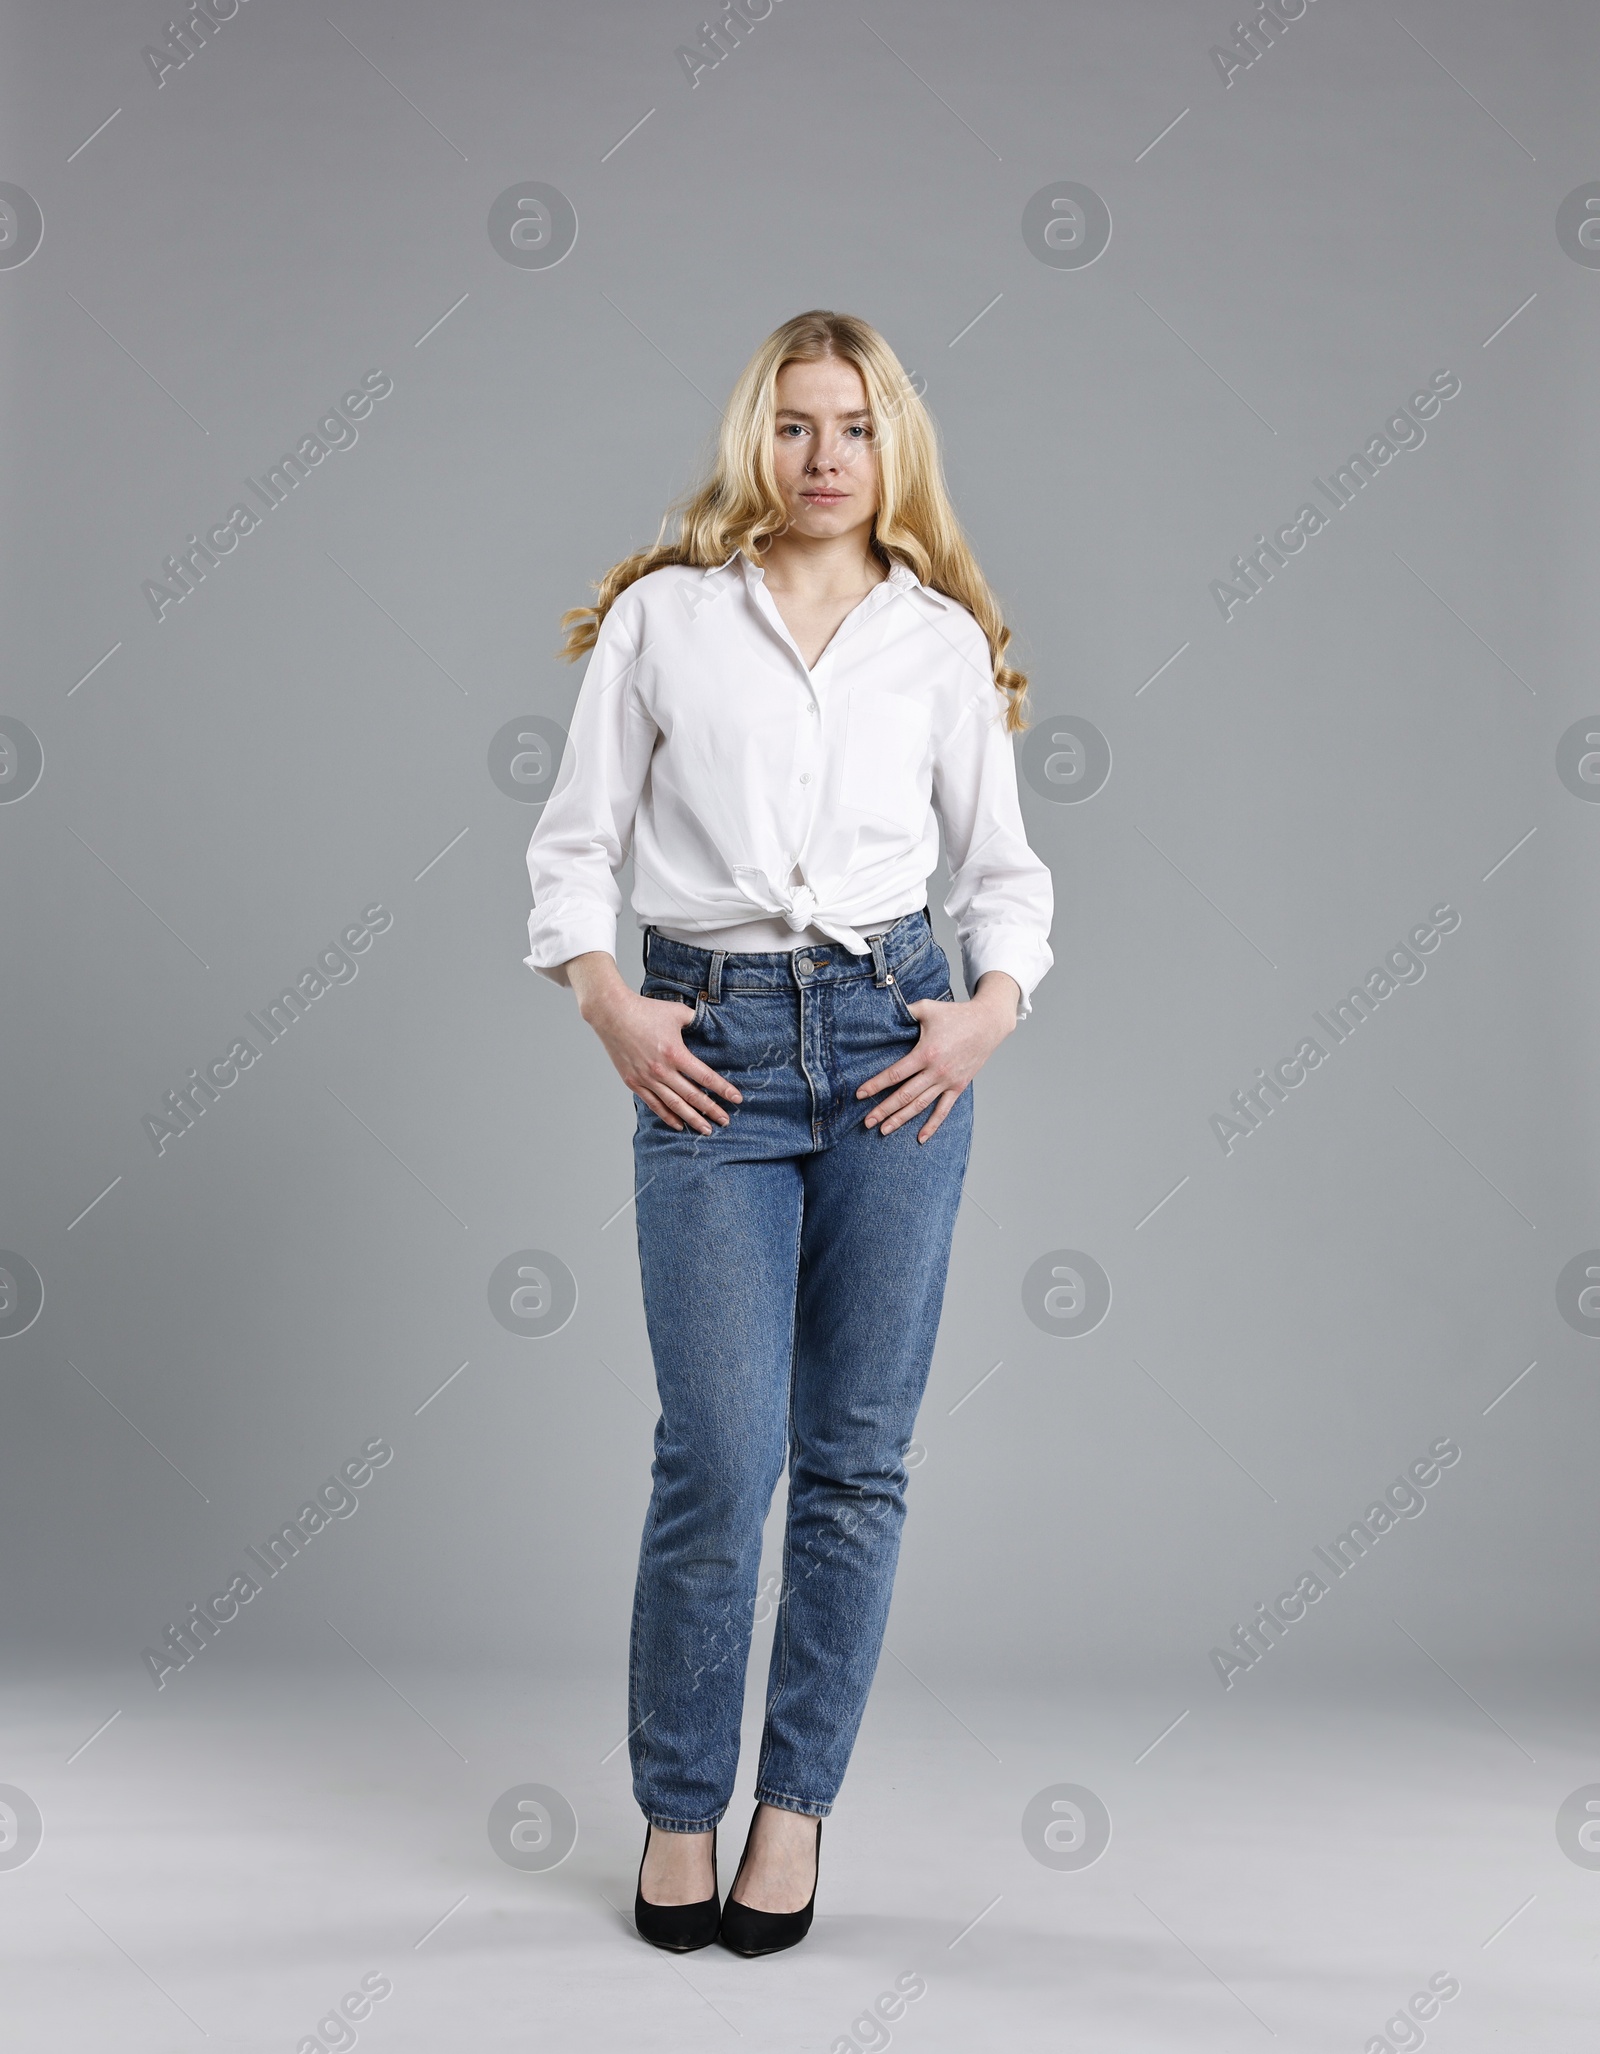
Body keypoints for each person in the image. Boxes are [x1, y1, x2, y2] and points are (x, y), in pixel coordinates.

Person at [523, 310, 1053, 1955]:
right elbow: (572, 849)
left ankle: (794, 1806)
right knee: (721, 1452)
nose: (826, 459)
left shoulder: (941, 642)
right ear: (757, 438)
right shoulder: (664, 622)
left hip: (899, 1049)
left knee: (854, 1462)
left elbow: (1005, 879)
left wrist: (986, 1008)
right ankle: (680, 1808)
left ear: (896, 449)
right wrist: (615, 1008)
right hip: (714, 1049)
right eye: (798, 425)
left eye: (856, 428)